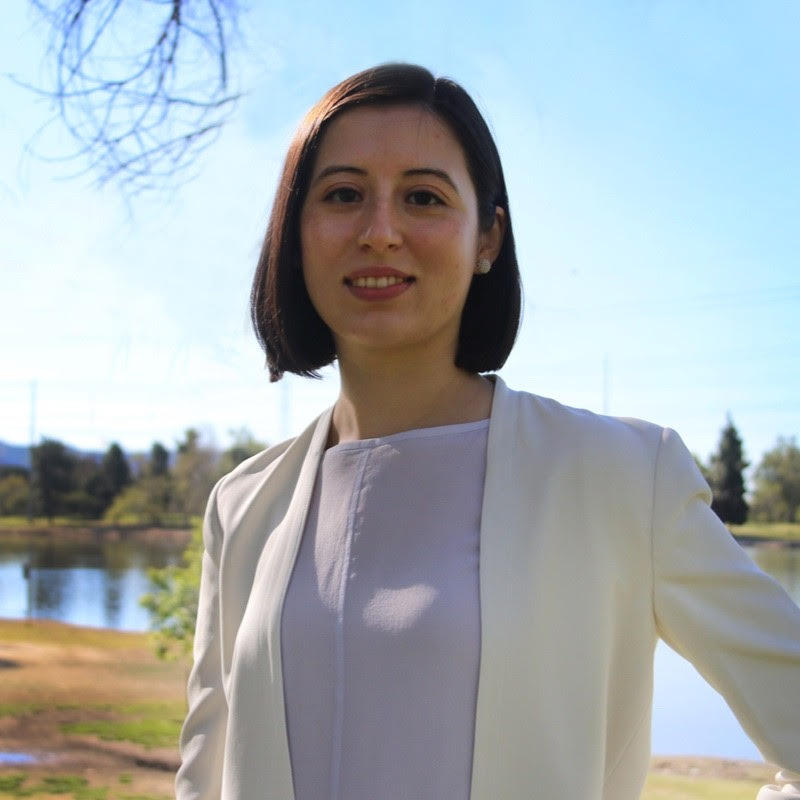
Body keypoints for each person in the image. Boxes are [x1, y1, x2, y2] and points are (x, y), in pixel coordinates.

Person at [175, 63, 800, 800]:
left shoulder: (623, 476)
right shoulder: (243, 505)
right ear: (296, 232)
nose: (380, 232)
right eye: (343, 195)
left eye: (423, 197)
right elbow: (205, 779)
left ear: (487, 239)